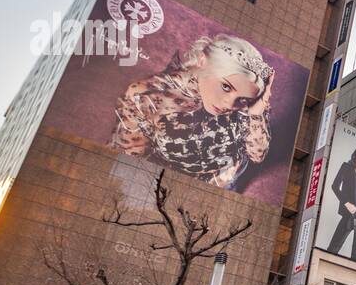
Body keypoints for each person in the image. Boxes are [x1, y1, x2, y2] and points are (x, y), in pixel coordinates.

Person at [112, 34, 274, 190]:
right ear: (203, 62)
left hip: (223, 189)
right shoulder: (147, 96)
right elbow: (130, 154)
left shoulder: (250, 105)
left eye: (242, 98)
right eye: (226, 87)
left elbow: (257, 155)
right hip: (164, 187)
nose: (229, 104)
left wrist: (257, 111)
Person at [325, 144, 356, 262]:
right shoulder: (346, 168)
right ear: (355, 157)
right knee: (333, 248)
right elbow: (335, 186)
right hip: (349, 214)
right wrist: (346, 203)